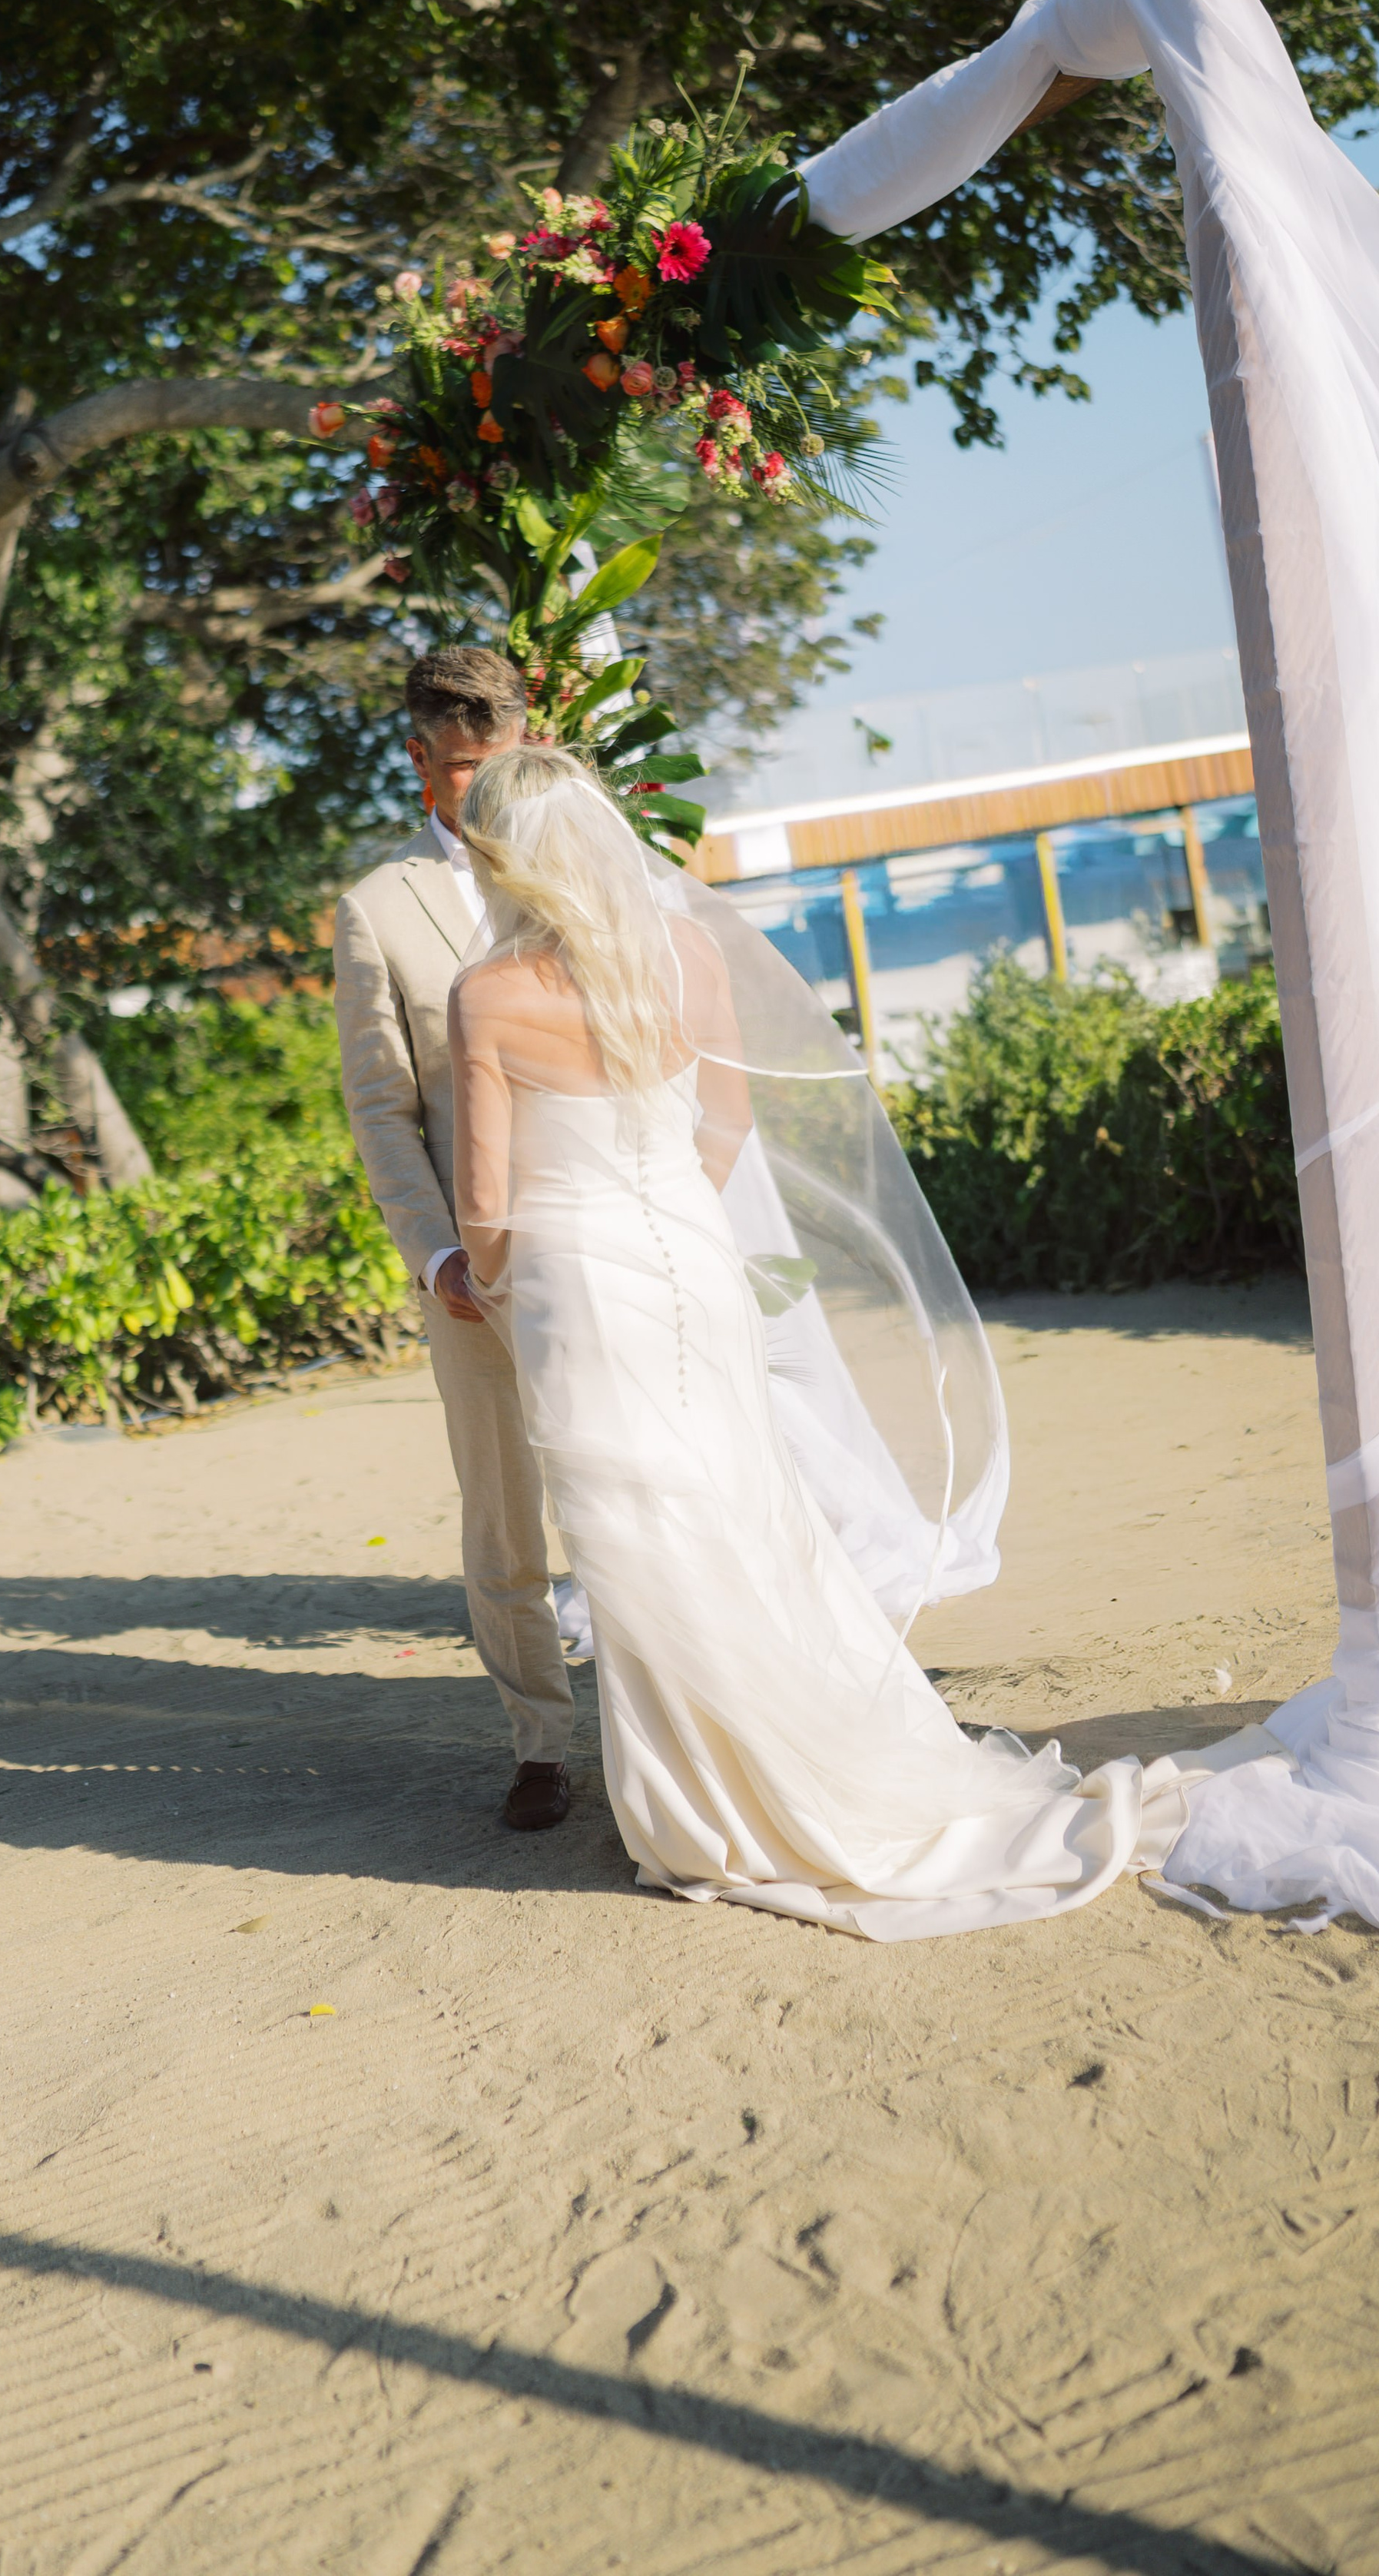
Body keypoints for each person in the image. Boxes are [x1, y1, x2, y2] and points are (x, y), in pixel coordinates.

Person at [447, 744, 1202, 1939]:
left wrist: (484, 1278)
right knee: (744, 1509)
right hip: (692, 1265)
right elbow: (727, 1122)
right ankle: (785, 1759)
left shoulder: (487, 995)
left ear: (502, 860)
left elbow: (485, 1207)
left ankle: (704, 1807)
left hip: (580, 1292)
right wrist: (674, 1223)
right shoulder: (682, 955)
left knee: (640, 1532)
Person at [332, 647, 577, 1831]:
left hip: (604, 1248)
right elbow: (381, 1111)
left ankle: (666, 1721)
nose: (481, 791)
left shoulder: (592, 873)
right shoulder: (378, 909)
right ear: (420, 760)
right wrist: (437, 1259)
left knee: (636, 1490)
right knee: (503, 1512)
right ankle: (540, 1741)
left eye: (500, 762)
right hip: (471, 1278)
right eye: (460, 766)